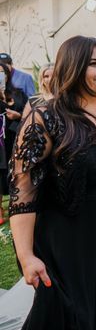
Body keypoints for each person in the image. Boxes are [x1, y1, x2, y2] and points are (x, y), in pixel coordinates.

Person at [8, 35, 96, 330]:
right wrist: (26, 255)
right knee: (66, 322)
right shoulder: (46, 117)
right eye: (94, 63)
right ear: (72, 67)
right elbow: (23, 194)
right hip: (65, 241)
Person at [0, 62, 28, 225]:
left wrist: (17, 116)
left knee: (15, 171)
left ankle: (17, 204)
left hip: (14, 136)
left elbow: (29, 115)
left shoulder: (18, 94)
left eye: (2, 72)